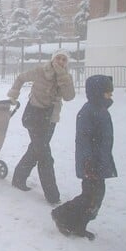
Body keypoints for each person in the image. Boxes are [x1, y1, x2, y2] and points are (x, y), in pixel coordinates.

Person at [51, 75, 116, 240]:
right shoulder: (88, 112)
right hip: (91, 163)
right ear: (97, 93)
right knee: (91, 196)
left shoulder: (100, 110)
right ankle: (62, 214)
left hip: (98, 161)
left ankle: (79, 225)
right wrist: (88, 162)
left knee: (95, 196)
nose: (110, 96)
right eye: (107, 93)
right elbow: (84, 140)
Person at [8, 49, 75, 204]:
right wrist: (13, 94)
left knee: (36, 150)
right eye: (58, 58)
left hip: (50, 119)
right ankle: (52, 196)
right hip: (34, 117)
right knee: (44, 155)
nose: (60, 62)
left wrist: (63, 77)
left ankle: (19, 178)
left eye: (64, 60)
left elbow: (69, 96)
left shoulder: (66, 77)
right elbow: (20, 78)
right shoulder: (40, 71)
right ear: (53, 59)